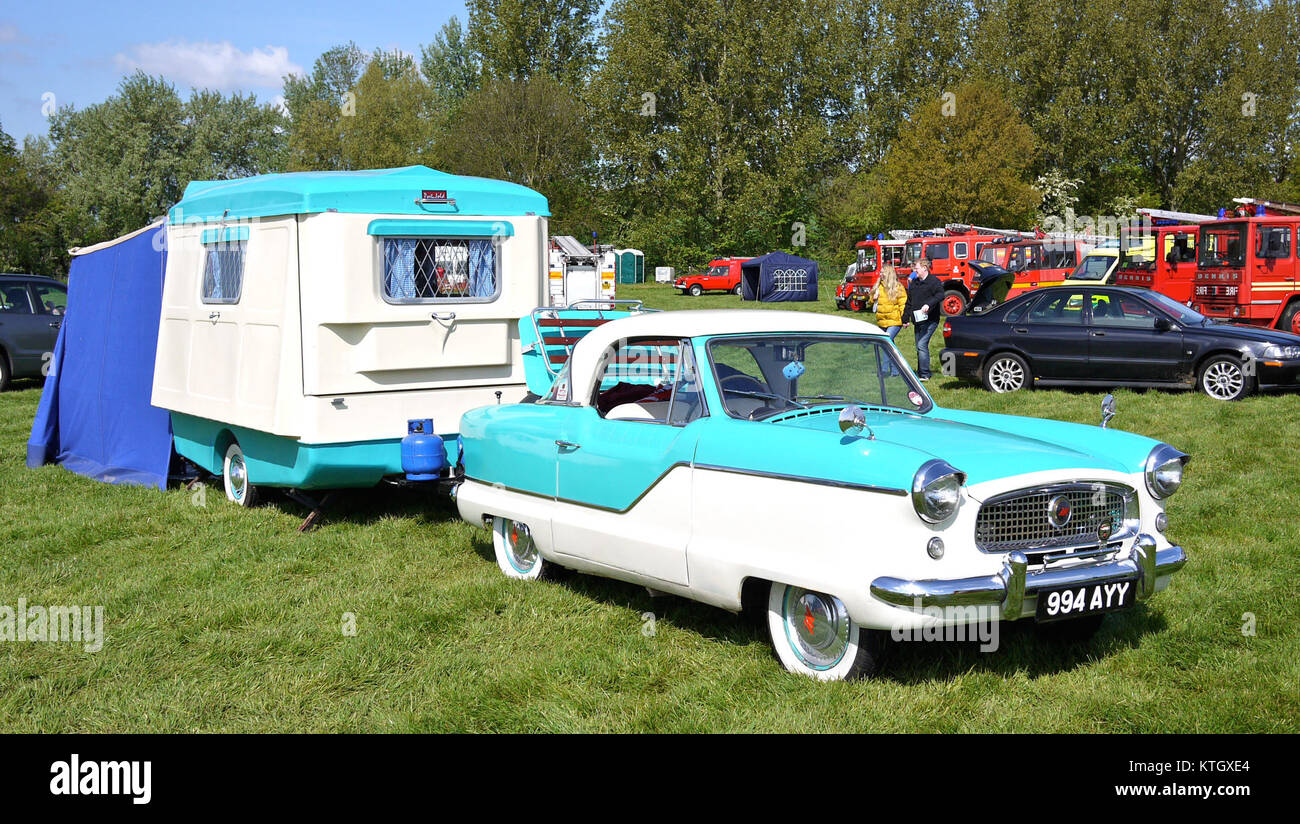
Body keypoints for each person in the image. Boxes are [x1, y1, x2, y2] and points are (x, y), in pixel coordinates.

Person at [902, 259, 944, 381]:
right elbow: (909, 302)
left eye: (917, 268)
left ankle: (925, 374)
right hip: (918, 320)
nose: (915, 271)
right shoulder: (914, 284)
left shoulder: (934, 282)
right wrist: (905, 319)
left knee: (921, 345)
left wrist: (928, 304)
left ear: (925, 268)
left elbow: (941, 295)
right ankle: (921, 373)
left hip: (931, 320)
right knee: (919, 347)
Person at [872, 265, 907, 341]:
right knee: (886, 345)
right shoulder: (878, 286)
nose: (880, 274)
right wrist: (873, 298)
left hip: (894, 322)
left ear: (888, 274)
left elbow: (903, 304)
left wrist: (905, 319)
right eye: (880, 272)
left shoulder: (898, 287)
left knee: (886, 341)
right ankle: (894, 353)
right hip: (882, 321)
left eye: (882, 272)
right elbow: (871, 301)